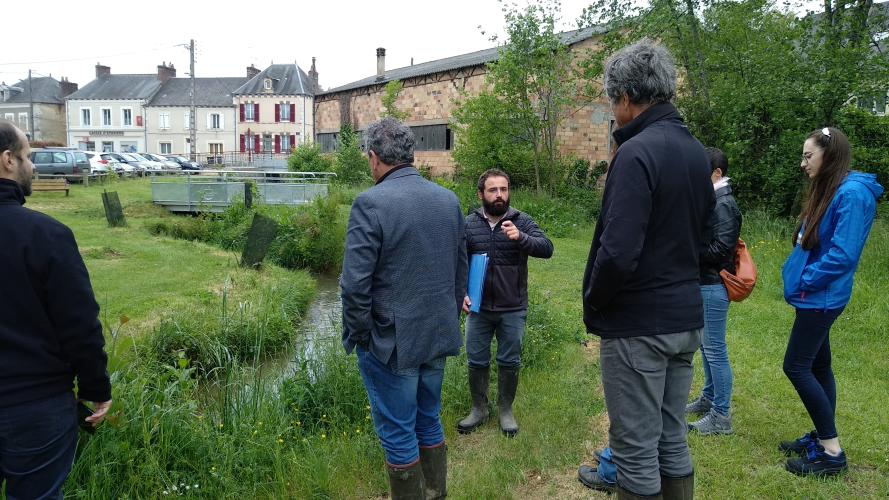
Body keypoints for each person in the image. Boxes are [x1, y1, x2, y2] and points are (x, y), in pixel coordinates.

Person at [576, 40, 714, 499]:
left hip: (640, 326)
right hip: (684, 318)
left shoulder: (636, 154)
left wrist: (595, 297)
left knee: (634, 450)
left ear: (629, 97)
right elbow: (705, 235)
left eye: (613, 101)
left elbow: (617, 252)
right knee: (671, 438)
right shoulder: (695, 150)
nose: (613, 112)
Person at [340, 118, 467, 499]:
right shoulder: (448, 200)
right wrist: (450, 317)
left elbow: (354, 285)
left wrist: (363, 337)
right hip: (437, 334)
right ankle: (435, 494)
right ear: (411, 155)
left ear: (374, 158)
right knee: (428, 418)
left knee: (398, 431)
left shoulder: (370, 202)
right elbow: (460, 269)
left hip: (391, 344)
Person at [0, 120, 112, 498]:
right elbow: (78, 323)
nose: (32, 166)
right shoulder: (46, 236)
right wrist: (96, 386)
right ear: (7, 161)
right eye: (28, 157)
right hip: (33, 404)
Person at [779, 127, 883, 477]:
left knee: (796, 366)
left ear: (830, 154)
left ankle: (832, 453)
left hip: (821, 297)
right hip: (817, 295)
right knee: (819, 365)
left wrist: (807, 281)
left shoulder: (852, 194)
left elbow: (843, 255)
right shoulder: (835, 188)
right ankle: (821, 437)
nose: (803, 162)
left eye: (809, 155)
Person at [456, 169, 553, 437]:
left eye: (504, 189)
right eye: (493, 190)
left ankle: (505, 410)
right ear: (481, 194)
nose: (499, 195)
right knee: (476, 359)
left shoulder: (521, 221)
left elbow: (547, 248)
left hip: (513, 307)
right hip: (479, 310)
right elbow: (458, 263)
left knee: (509, 360)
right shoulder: (468, 224)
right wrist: (460, 293)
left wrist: (521, 238)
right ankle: (479, 409)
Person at [686, 147, 742, 435]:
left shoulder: (724, 205)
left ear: (717, 173)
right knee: (707, 347)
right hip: (705, 282)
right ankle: (709, 398)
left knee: (715, 350)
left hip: (713, 284)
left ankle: (721, 416)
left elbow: (722, 248)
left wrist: (687, 251)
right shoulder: (715, 200)